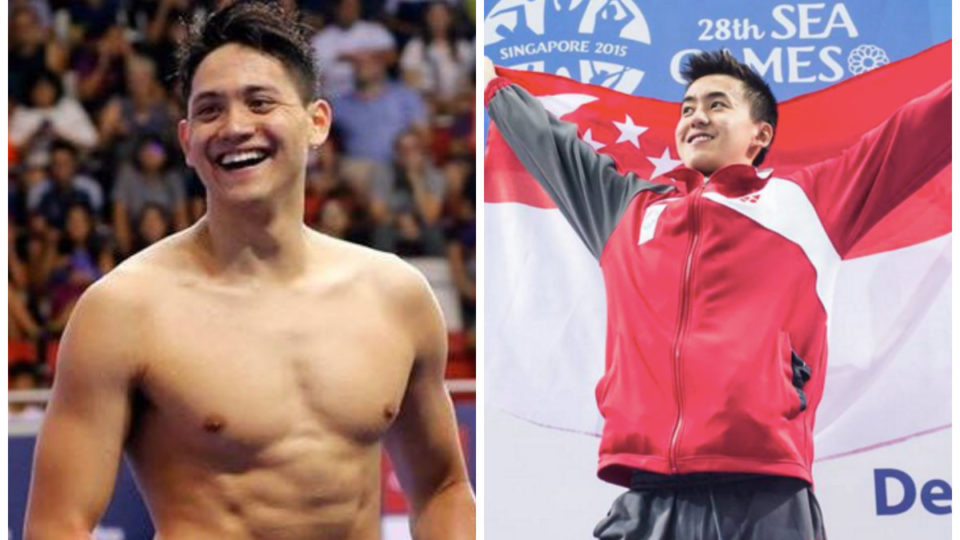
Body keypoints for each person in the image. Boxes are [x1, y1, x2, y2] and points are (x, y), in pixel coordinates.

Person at [25, 3, 476, 539]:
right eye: (211, 111)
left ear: (317, 122)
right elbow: (59, 525)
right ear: (187, 141)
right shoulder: (123, 311)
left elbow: (445, 489)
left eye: (260, 102)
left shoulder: (396, 295)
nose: (236, 127)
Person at [484, 52, 950, 540]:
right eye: (687, 108)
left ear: (761, 134)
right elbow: (553, 148)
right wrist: (493, 87)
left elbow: (917, 132)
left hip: (765, 494)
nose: (696, 116)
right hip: (647, 493)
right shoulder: (628, 210)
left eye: (717, 104)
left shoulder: (809, 203)